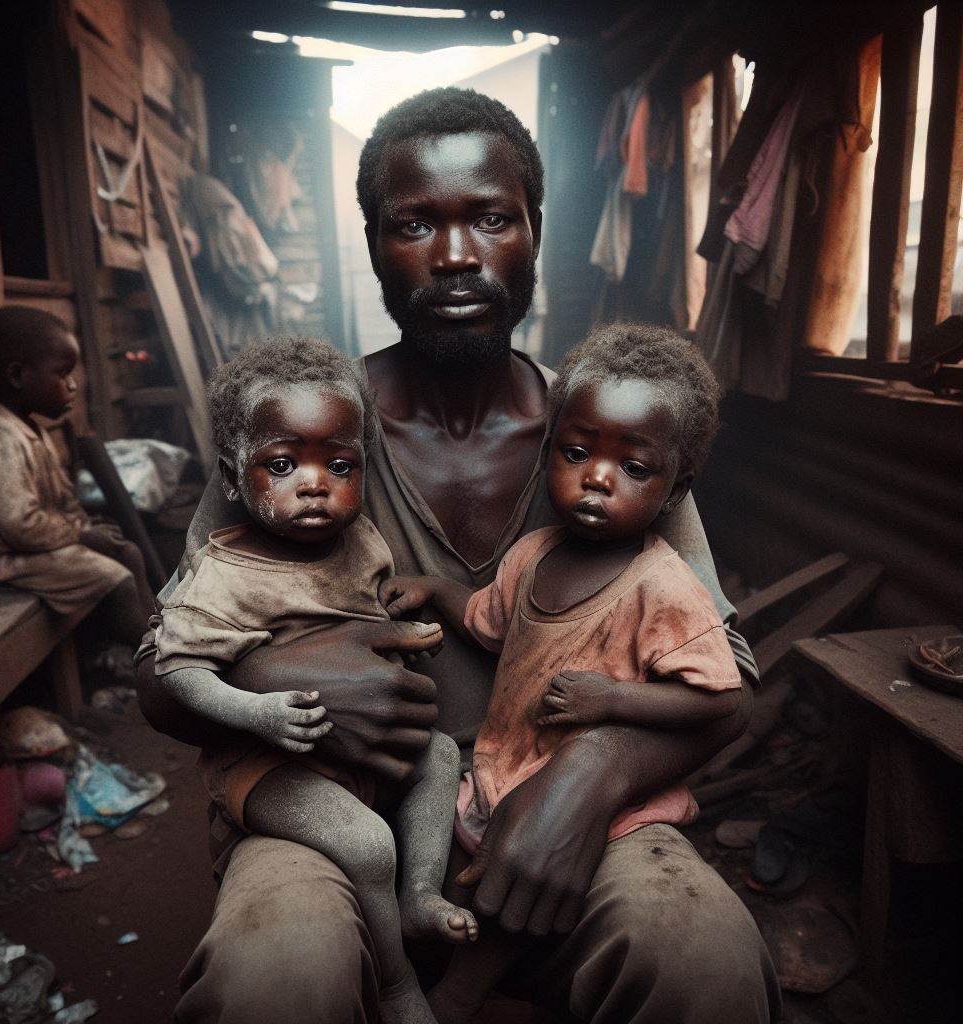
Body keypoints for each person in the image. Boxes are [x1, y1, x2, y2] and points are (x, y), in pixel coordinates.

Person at [138, 88, 781, 1022]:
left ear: (532, 230)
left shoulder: (612, 430)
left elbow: (732, 691)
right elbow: (161, 675)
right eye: (413, 224)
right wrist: (286, 678)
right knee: (269, 976)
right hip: (344, 803)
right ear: (372, 244)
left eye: (490, 217)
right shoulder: (306, 429)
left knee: (701, 961)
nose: (454, 256)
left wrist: (590, 777)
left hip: (564, 808)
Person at [381, 322, 746, 1021]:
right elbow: (486, 620)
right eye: (577, 453)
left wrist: (614, 700)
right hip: (501, 768)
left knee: (514, 899)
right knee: (466, 884)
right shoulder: (535, 556)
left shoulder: (661, 587)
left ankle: (455, 999)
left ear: (676, 488)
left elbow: (718, 699)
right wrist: (431, 587)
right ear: (549, 450)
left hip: (598, 803)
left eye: (634, 469)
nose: (598, 478)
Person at [152, 336, 474, 1024]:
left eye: (338, 464)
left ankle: (419, 897)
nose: (314, 483)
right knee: (365, 844)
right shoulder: (223, 575)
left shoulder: (361, 539)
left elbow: (366, 605)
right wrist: (255, 711)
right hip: (269, 764)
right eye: (281, 464)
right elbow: (177, 670)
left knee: (442, 758)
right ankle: (395, 985)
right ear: (234, 479)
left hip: (368, 750)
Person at [0, 307, 154, 646]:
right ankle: (155, 663)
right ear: (17, 376)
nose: (72, 385)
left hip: (29, 546)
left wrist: (86, 530)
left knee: (128, 552)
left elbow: (62, 501)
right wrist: (81, 536)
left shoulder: (33, 430)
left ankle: (161, 638)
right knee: (117, 579)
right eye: (62, 374)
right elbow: (20, 526)